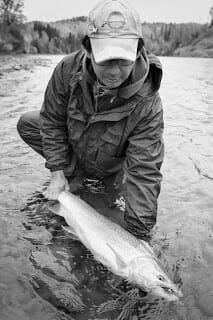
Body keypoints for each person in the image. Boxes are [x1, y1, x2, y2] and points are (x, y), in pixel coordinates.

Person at [17, 0, 164, 239]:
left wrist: (139, 237)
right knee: (30, 122)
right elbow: (52, 121)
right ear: (88, 51)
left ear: (138, 52)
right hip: (78, 148)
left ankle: (103, 185)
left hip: (113, 164)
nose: (114, 72)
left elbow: (144, 171)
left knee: (119, 199)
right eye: (106, 60)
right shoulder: (67, 69)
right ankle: (73, 176)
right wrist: (57, 172)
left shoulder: (149, 104)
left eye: (124, 61)